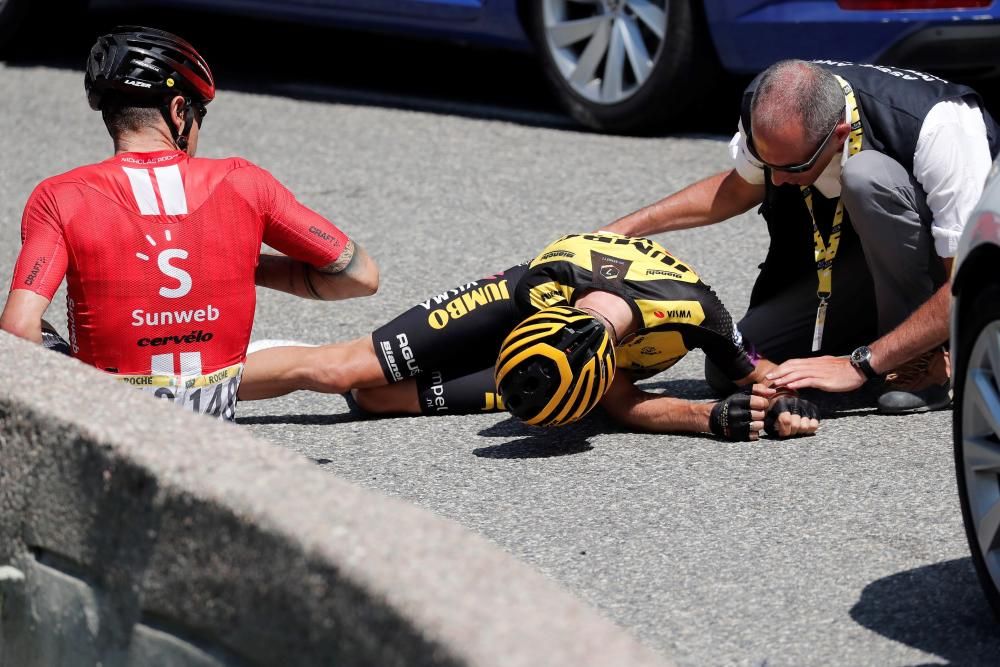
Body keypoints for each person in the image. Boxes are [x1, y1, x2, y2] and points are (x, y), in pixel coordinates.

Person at [0, 26, 379, 420]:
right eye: (200, 115)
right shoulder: (243, 181)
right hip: (210, 419)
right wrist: (236, 266)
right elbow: (359, 277)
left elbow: (17, 327)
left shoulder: (61, 195)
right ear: (179, 111)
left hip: (107, 418)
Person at [604, 59, 1000, 414]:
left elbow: (968, 282)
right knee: (735, 367)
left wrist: (858, 363)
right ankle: (875, 336)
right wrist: (621, 230)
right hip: (861, 264)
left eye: (792, 167)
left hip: (944, 271)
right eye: (767, 164)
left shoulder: (943, 128)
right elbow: (739, 188)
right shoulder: (770, 104)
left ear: (840, 134)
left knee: (866, 178)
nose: (776, 181)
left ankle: (920, 362)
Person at [240, 232, 820, 441]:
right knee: (343, 372)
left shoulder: (700, 313)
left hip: (577, 345)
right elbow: (616, 400)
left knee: (376, 399)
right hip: (509, 308)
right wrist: (706, 415)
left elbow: (619, 399)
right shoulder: (549, 282)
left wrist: (777, 406)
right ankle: (179, 385)